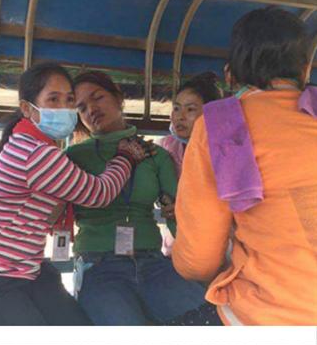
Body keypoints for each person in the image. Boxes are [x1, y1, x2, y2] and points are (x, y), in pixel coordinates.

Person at [0, 62, 147, 325]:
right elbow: (99, 194)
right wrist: (126, 156)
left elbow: (11, 191)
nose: (65, 108)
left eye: (69, 100)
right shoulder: (36, 152)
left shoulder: (27, 142)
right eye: (53, 100)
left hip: (27, 269)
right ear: (28, 109)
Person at [172, 7, 317, 325]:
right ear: (305, 68)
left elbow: (198, 259)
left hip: (272, 312)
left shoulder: (220, 126)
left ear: (231, 74)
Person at [67, 70, 222, 325]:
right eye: (81, 107)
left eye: (98, 98)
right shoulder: (73, 157)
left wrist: (203, 266)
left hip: (153, 264)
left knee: (211, 322)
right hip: (99, 266)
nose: (91, 110)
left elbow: (178, 218)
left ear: (118, 98)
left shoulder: (155, 155)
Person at [158, 72, 222, 254]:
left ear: (210, 114)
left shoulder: (224, 151)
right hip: (177, 242)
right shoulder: (165, 147)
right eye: (176, 108)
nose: (180, 116)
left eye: (190, 109)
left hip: (216, 241)